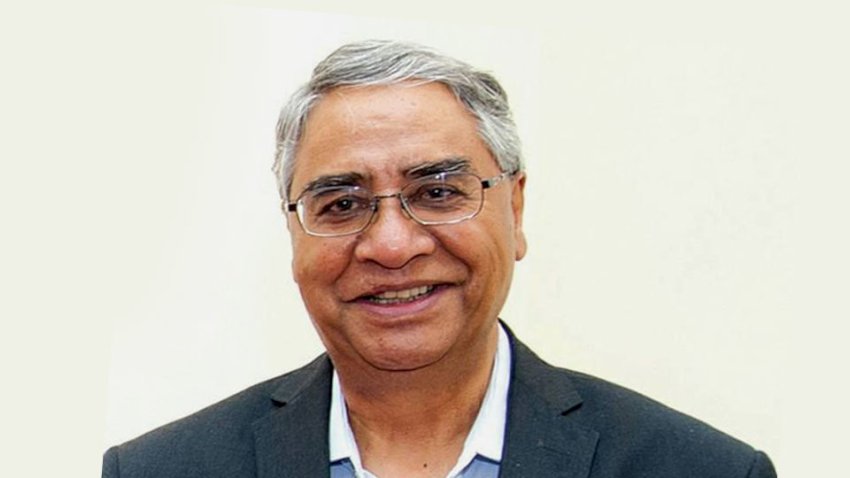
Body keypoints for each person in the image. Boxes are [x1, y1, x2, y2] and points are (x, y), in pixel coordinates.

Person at [102, 40, 776, 478]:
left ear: (515, 210)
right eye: (342, 203)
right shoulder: (164, 470)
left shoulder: (698, 469)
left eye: (437, 193)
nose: (392, 244)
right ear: (293, 231)